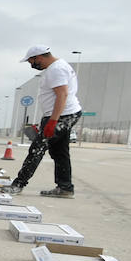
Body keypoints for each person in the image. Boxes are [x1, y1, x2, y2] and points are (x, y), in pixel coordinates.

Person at [9, 45, 81, 198]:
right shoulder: (58, 66)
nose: (32, 65)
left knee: (37, 149)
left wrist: (53, 121)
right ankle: (65, 188)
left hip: (62, 115)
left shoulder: (56, 69)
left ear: (39, 57)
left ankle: (18, 184)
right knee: (59, 152)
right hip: (62, 114)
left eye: (32, 62)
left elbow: (62, 95)